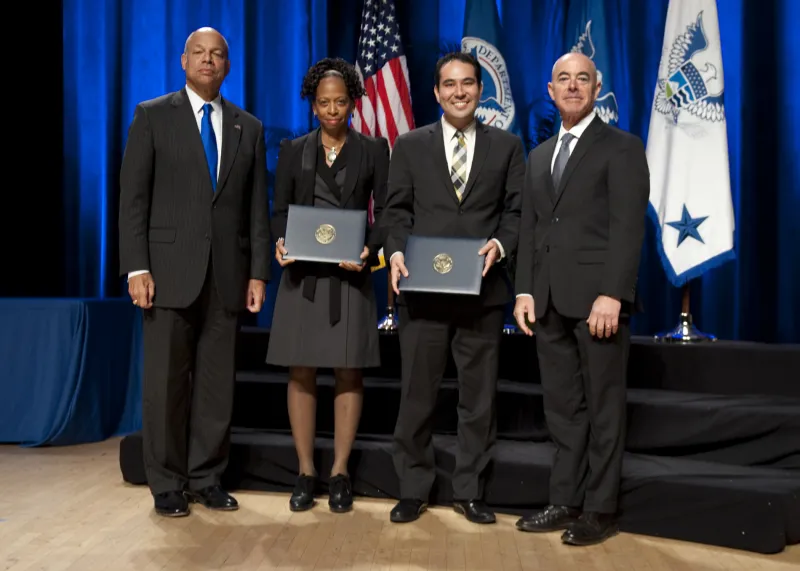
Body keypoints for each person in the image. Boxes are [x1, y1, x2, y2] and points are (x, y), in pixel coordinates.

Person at [118, 27, 270, 517]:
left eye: (217, 54)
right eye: (199, 54)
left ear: (228, 65)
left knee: (215, 384)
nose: (208, 61)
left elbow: (255, 212)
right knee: (165, 384)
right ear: (183, 61)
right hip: (165, 275)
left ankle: (207, 477)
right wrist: (136, 266)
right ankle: (166, 482)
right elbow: (133, 201)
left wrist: (258, 273)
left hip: (227, 276)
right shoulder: (152, 116)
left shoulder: (249, 126)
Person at [512, 52, 650, 545]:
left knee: (604, 408)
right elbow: (530, 228)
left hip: (598, 305)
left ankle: (599, 509)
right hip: (547, 302)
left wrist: (612, 293)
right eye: (563, 80)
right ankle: (564, 499)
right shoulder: (538, 154)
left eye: (582, 79)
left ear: (597, 88)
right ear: (550, 91)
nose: (572, 87)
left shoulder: (622, 147)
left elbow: (627, 228)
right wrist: (525, 290)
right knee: (563, 410)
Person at [382, 52, 525, 524]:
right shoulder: (408, 144)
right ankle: (413, 487)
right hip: (422, 294)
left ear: (480, 90)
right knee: (416, 395)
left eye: (467, 83)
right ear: (437, 92)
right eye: (449, 84)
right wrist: (396, 250)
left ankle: (469, 491)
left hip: (481, 294)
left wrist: (501, 246)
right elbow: (396, 211)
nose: (459, 92)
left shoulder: (507, 147)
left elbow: (515, 213)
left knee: (477, 399)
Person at [266, 57, 390, 513]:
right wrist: (280, 242)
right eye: (324, 103)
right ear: (312, 105)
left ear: (353, 103)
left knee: (348, 371)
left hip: (350, 279)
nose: (333, 110)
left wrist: (370, 252)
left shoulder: (374, 150)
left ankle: (339, 472)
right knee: (300, 370)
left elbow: (389, 213)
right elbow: (281, 211)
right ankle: (305, 472)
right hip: (303, 279)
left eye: (340, 102)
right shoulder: (293, 149)